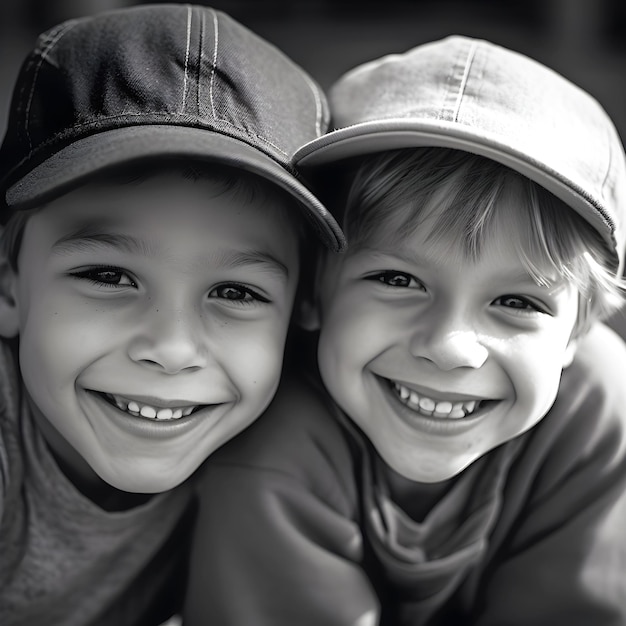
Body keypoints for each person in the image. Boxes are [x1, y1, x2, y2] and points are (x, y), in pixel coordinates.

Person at [183, 36, 626, 625]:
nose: (448, 346)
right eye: (398, 279)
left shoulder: (602, 415)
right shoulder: (270, 445)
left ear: (577, 332)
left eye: (517, 301)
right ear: (315, 288)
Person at [0, 4, 345, 625]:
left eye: (235, 293)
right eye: (108, 276)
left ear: (301, 312)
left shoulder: (296, 443)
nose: (171, 346)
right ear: (6, 286)